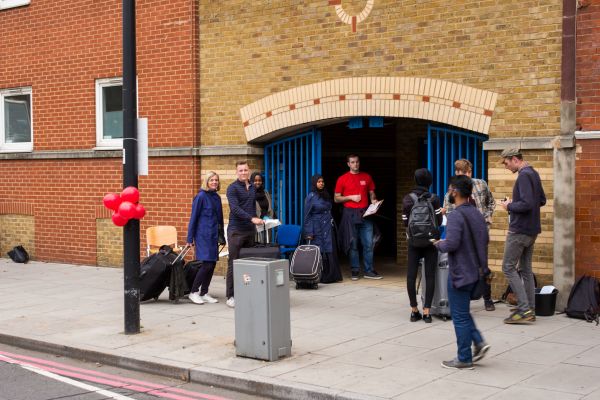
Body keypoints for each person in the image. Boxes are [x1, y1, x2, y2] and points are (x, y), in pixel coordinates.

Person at [434, 175, 491, 370]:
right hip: (477, 272)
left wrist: (438, 244)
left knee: (458, 316)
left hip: (460, 273)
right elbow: (485, 239)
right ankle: (479, 342)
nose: (449, 192)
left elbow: (452, 243)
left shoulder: (456, 215)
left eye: (450, 189)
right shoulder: (476, 213)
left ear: (455, 192)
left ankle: (464, 357)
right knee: (463, 312)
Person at [442, 159, 497, 311]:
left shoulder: (480, 184)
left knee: (482, 265)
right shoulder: (451, 191)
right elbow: (448, 209)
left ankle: (487, 298)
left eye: (463, 173)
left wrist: (486, 218)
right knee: (462, 265)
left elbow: (491, 202)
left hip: (479, 232)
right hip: (462, 235)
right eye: (457, 172)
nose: (460, 176)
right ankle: (465, 297)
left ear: (469, 172)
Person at [499, 149, 546, 324]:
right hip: (532, 230)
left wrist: (509, 206)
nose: (505, 166)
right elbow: (541, 200)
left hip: (519, 231)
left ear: (514, 159)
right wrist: (518, 202)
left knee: (508, 267)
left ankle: (524, 309)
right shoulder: (533, 173)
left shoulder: (524, 176)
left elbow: (526, 204)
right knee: (525, 270)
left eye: (506, 163)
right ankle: (530, 310)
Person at [402, 168, 443, 323]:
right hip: (431, 242)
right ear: (429, 181)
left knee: (411, 276)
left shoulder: (408, 199)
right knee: (430, 275)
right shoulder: (434, 198)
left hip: (413, 241)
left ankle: (414, 311)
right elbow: (438, 222)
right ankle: (427, 312)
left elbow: (405, 222)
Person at [334, 154, 382, 280]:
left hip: (365, 213)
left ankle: (369, 270)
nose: (355, 164)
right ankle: (355, 270)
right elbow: (336, 198)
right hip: (349, 214)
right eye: (352, 162)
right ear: (348, 164)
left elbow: (371, 192)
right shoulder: (342, 179)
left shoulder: (366, 177)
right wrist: (351, 197)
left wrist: (373, 200)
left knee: (368, 243)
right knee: (353, 244)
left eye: (357, 162)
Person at [225, 161, 265, 308]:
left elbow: (253, 207)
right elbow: (235, 209)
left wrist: (259, 219)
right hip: (236, 231)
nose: (243, 172)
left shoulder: (253, 188)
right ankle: (231, 296)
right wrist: (251, 218)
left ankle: (246, 291)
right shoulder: (232, 188)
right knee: (234, 263)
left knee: (248, 263)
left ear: (249, 171)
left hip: (250, 231)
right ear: (237, 172)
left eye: (245, 170)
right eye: (240, 170)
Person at [186, 171, 225, 305]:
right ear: (206, 182)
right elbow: (193, 218)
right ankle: (194, 292)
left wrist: (222, 237)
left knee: (212, 264)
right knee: (206, 264)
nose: (214, 182)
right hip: (202, 235)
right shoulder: (200, 197)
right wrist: (189, 238)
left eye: (216, 180)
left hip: (214, 235)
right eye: (211, 180)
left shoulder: (217, 197)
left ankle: (204, 292)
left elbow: (220, 219)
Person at [303, 174, 342, 283]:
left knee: (330, 249)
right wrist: (309, 232)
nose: (321, 183)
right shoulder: (310, 197)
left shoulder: (326, 195)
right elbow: (307, 216)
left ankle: (331, 276)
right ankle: (319, 275)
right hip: (317, 228)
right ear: (314, 183)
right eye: (319, 182)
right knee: (320, 250)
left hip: (328, 226)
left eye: (322, 181)